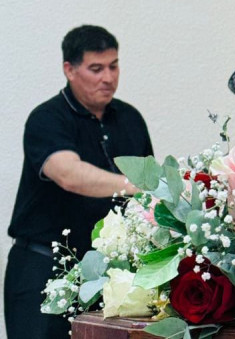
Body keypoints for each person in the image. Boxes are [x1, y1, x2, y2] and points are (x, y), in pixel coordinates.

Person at [5, 25, 153, 339]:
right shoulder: (47, 118)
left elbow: (149, 193)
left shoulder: (130, 119)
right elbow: (68, 174)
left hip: (109, 275)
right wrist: (132, 185)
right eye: (96, 69)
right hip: (43, 268)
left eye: (113, 66)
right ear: (69, 70)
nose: (108, 78)